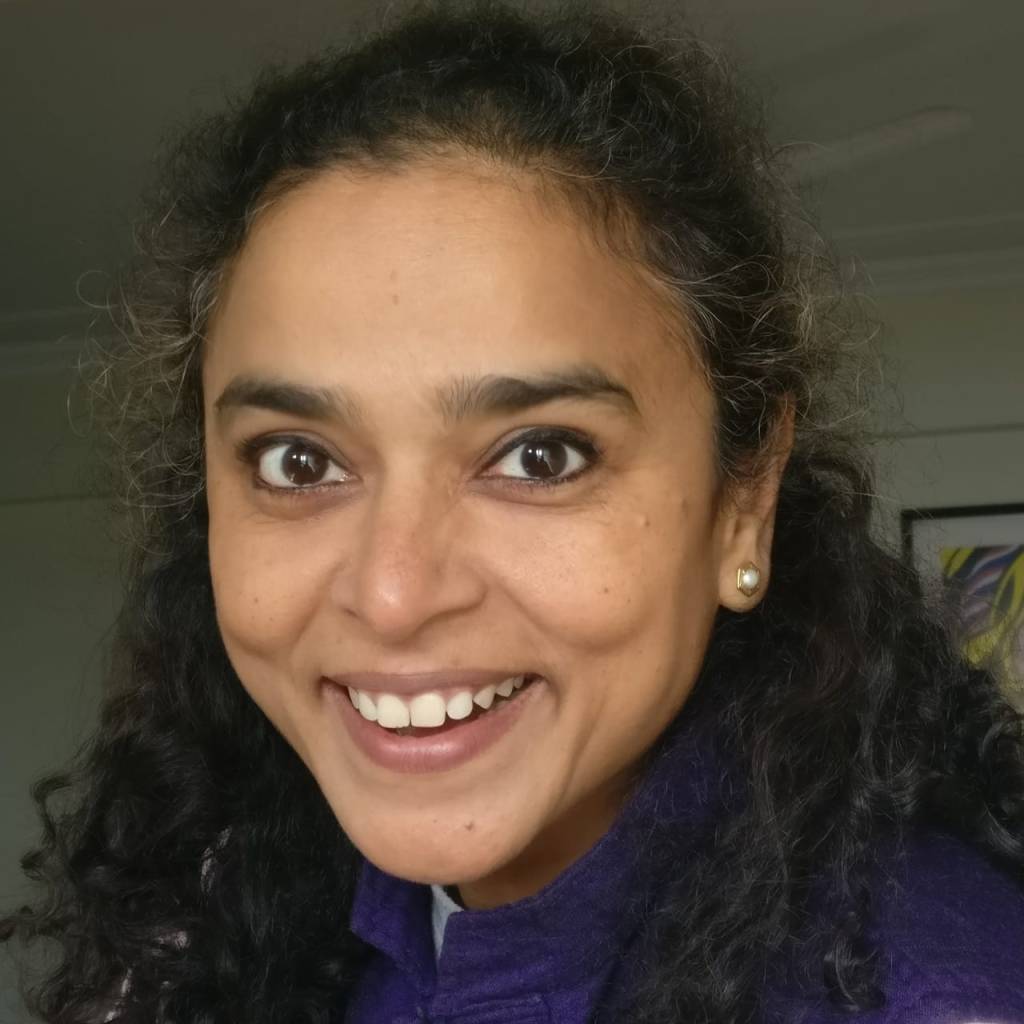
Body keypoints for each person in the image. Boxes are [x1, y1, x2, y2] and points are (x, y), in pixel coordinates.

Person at [3, 2, 1023, 1021]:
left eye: (541, 456)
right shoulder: (257, 921)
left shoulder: (933, 996)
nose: (394, 594)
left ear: (742, 501)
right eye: (298, 461)